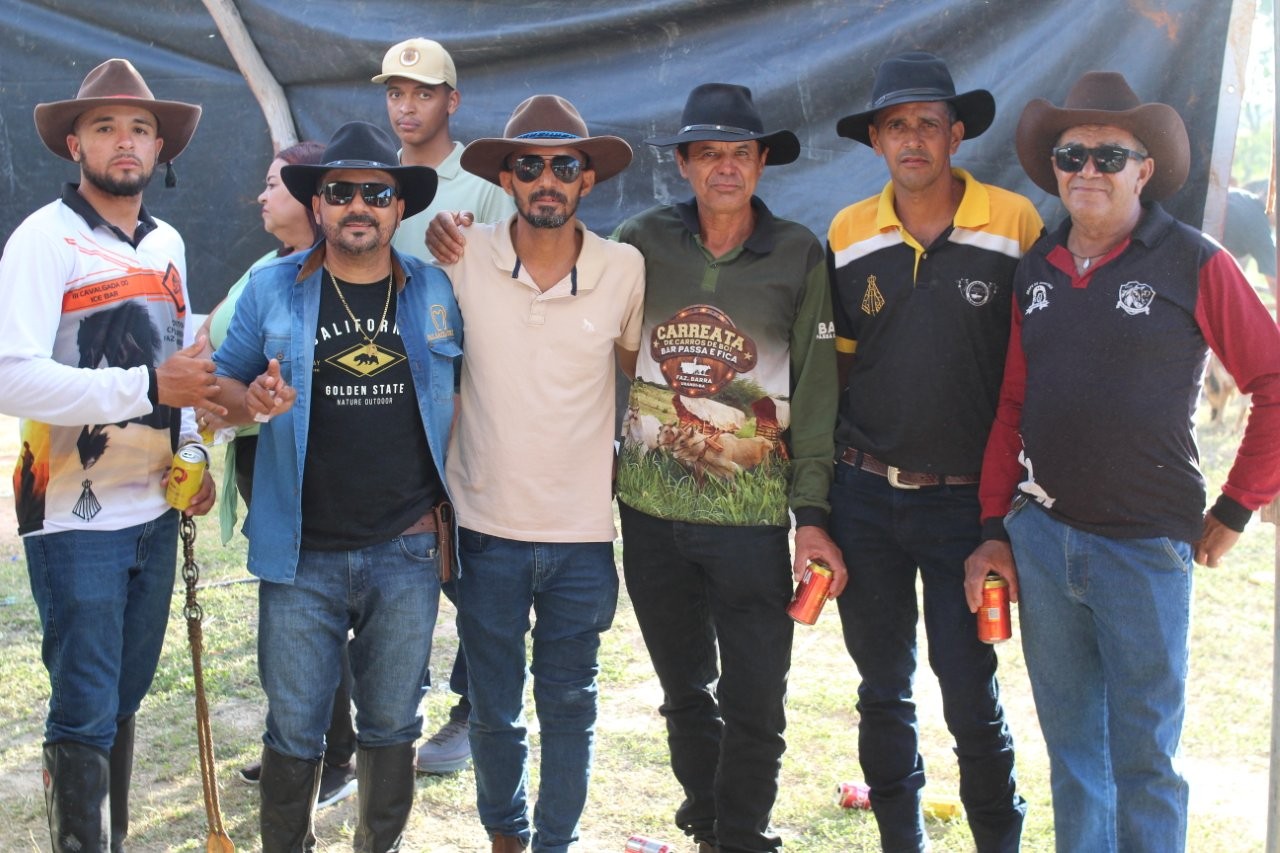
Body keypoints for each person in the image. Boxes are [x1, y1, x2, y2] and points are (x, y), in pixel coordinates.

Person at [966, 71, 1280, 853]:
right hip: (1044, 542)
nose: (1088, 170)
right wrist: (995, 526)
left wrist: (1238, 506)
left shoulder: (1195, 262)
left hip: (1145, 549)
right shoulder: (1037, 268)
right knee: (1076, 759)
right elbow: (1012, 404)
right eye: (1071, 155)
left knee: (1146, 762)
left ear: (1145, 170)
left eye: (1110, 155)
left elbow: (1274, 382)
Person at [211, 121, 460, 852]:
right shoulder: (271, 288)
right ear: (317, 204)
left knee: (392, 725)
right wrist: (251, 400)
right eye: (341, 191)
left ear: (399, 207)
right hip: (300, 553)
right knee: (293, 728)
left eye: (376, 193)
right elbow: (220, 391)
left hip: (407, 547)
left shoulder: (434, 287)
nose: (359, 206)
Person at [614, 83, 847, 853]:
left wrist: (810, 512)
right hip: (650, 513)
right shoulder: (640, 240)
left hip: (751, 521)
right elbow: (595, 330)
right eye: (708, 152)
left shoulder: (798, 252)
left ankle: (745, 832)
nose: (724, 166)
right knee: (684, 688)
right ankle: (709, 822)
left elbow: (816, 391)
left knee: (756, 693)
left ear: (761, 162)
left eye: (739, 152)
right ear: (683, 163)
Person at [825, 51, 1042, 852]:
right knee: (882, 691)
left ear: (956, 134)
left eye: (927, 123)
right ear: (875, 140)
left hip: (968, 505)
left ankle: (998, 841)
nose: (911, 139)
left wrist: (1001, 513)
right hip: (865, 495)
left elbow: (1036, 368)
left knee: (969, 693)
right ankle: (900, 840)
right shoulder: (848, 231)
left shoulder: (1015, 223)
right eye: (895, 125)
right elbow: (842, 366)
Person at [0, 58, 218, 851]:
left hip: (153, 509)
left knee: (122, 697)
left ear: (160, 147)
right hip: (70, 513)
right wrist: (145, 385)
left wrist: (191, 451)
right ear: (74, 144)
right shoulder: (43, 239)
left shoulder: (169, 243)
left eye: (139, 128)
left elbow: (179, 365)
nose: (124, 141)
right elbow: (10, 375)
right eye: (104, 127)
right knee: (87, 705)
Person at [439, 94, 644, 852]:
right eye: (529, 166)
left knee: (569, 708)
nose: (546, 180)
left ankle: (555, 842)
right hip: (484, 528)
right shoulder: (460, 255)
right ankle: (507, 837)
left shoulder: (624, 269)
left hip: (582, 536)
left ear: (588, 178)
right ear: (506, 179)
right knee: (493, 711)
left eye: (564, 166)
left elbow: (640, 380)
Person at [197, 141, 362, 809]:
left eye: (275, 184)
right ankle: (293, 743)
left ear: (314, 198)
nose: (262, 196)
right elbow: (216, 337)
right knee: (287, 612)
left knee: (317, 610)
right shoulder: (266, 267)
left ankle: (337, 755)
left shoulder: (333, 275)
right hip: (254, 450)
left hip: (300, 456)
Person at [373, 35, 514, 775]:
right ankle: (387, 711)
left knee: (473, 560)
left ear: (451, 101)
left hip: (463, 396)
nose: (407, 106)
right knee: (393, 558)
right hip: (378, 400)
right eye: (396, 93)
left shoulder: (481, 185)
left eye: (423, 93)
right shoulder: (376, 181)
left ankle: (472, 709)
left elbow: (504, 282)